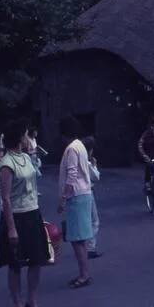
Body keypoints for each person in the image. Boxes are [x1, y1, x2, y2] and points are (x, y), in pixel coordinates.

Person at [0, 120, 50, 307]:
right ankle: (18, 306)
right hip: (16, 217)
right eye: (27, 135)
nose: (29, 138)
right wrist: (11, 229)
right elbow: (6, 198)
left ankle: (32, 302)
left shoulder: (26, 158)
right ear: (20, 138)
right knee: (16, 264)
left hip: (32, 214)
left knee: (37, 261)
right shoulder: (6, 164)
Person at [57, 116, 95, 289]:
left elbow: (72, 175)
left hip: (76, 195)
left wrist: (63, 199)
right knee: (80, 238)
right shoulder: (80, 145)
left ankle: (84, 275)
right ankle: (83, 273)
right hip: (84, 193)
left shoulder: (71, 149)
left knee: (77, 239)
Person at [84, 136, 102, 259]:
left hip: (80, 193)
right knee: (94, 221)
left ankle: (88, 246)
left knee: (88, 220)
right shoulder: (88, 162)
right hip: (87, 191)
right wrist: (95, 165)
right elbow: (96, 177)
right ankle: (90, 247)